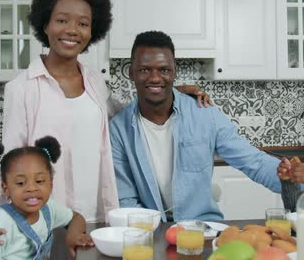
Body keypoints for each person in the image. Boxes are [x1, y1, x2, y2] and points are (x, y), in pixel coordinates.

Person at [0, 0, 211, 258]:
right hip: (50, 218)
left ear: (92, 30)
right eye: (62, 20)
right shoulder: (21, 89)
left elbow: (127, 114)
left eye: (83, 23)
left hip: (99, 216)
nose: (72, 30)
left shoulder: (95, 81)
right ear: (45, 24)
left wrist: (171, 93)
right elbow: (8, 161)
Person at [110, 30, 282, 222]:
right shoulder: (118, 129)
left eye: (164, 70)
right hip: (151, 232)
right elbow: (126, 200)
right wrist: (158, 236)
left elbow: (254, 162)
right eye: (144, 70)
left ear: (174, 72)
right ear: (131, 73)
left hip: (203, 229)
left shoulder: (204, 112)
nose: (155, 78)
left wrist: (302, 180)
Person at [0, 136, 92, 259]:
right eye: (21, 183)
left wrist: (74, 235)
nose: (32, 188)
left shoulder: (49, 208)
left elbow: (76, 217)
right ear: (6, 189)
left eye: (39, 181)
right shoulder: (1, 222)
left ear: (50, 184)